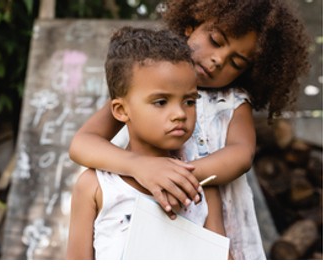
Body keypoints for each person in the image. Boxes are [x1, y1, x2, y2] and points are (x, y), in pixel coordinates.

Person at [68, 0, 309, 259]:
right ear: (190, 25)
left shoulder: (234, 102)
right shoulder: (142, 86)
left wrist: (180, 177)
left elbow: (241, 156)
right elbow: (82, 144)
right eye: (216, 41)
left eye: (236, 62)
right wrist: (141, 167)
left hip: (207, 209)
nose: (218, 60)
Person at [67, 27, 225, 260]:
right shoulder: (95, 187)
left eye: (189, 101)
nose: (180, 113)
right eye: (161, 102)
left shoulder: (199, 185)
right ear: (121, 110)